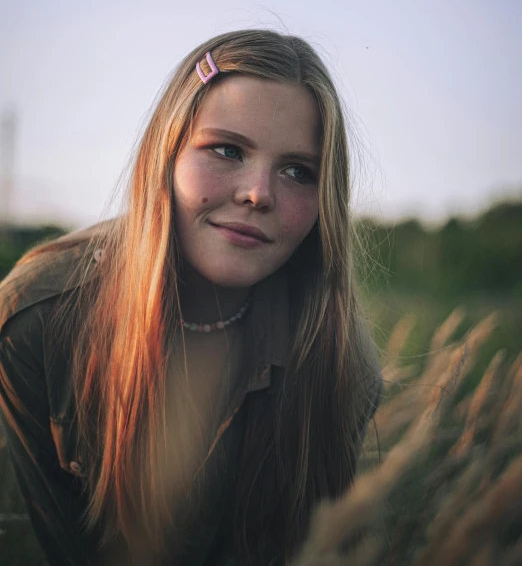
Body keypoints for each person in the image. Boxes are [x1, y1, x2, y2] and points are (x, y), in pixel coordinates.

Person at [0, 29, 382, 566]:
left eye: (298, 171)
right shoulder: (35, 318)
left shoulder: (338, 361)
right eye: (226, 150)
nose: (258, 193)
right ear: (166, 155)